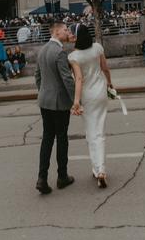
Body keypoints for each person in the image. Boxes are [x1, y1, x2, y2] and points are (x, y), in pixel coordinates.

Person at [68, 24, 112, 189]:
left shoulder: (74, 56)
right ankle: (99, 168)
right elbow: (105, 68)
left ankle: (98, 168)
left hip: (87, 95)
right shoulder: (97, 48)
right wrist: (110, 84)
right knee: (99, 130)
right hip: (101, 92)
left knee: (91, 132)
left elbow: (79, 79)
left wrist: (76, 101)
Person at [34, 21, 76, 195]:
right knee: (62, 138)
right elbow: (67, 79)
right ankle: (62, 176)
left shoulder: (42, 50)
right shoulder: (60, 52)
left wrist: (43, 92)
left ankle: (42, 178)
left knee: (47, 139)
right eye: (65, 30)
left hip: (44, 100)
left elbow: (37, 76)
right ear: (57, 32)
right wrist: (76, 100)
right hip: (59, 102)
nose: (68, 32)